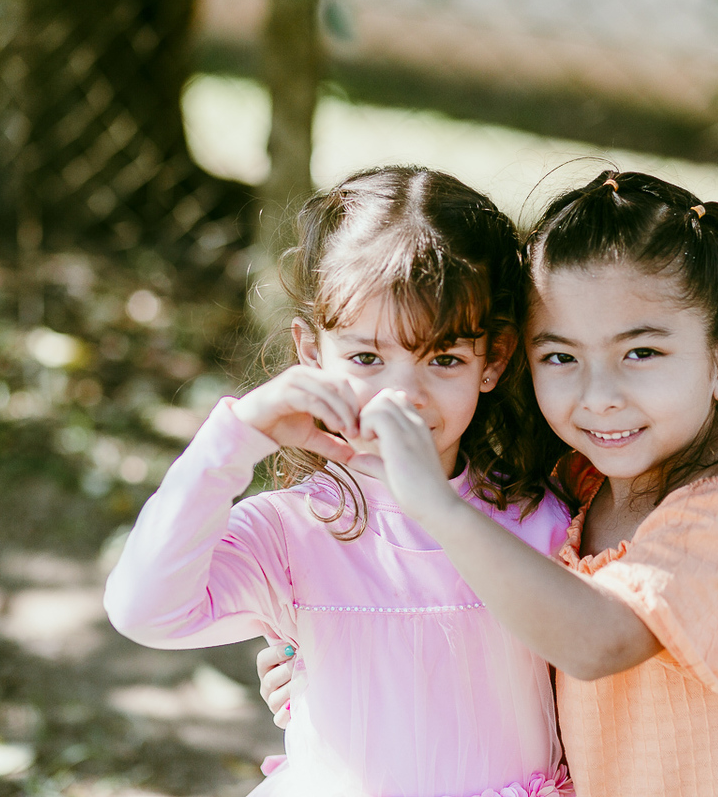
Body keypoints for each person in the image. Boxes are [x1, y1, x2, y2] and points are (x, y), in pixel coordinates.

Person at [267, 170, 718, 795]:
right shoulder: (580, 486)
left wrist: (436, 507)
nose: (599, 397)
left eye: (640, 353)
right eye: (561, 357)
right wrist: (339, 663)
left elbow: (596, 640)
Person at [102, 166, 574, 797]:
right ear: (309, 353)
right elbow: (146, 611)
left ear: (493, 361)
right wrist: (235, 437)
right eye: (367, 358)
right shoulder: (291, 533)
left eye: (444, 359)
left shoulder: (543, 523)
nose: (403, 395)